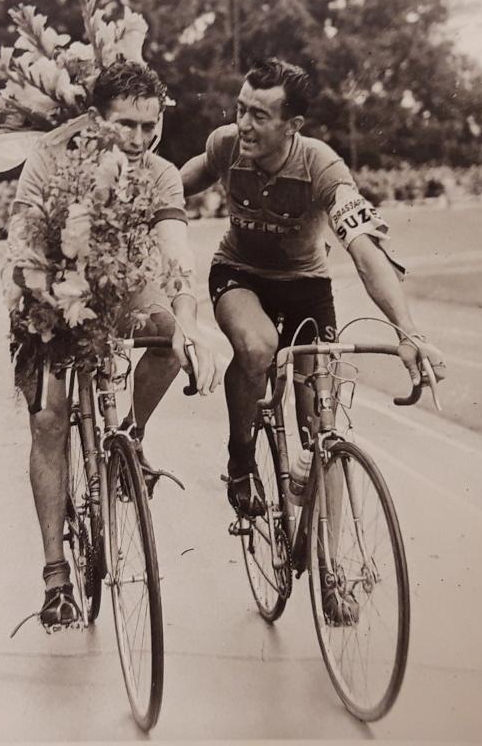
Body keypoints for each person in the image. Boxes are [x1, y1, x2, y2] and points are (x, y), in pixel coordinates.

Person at [180, 58, 447, 622]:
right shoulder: (227, 145)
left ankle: (331, 568)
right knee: (255, 349)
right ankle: (239, 461)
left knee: (321, 427)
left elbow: (366, 255)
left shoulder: (322, 165)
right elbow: (177, 184)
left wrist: (408, 333)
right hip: (240, 276)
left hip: (306, 288)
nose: (244, 125)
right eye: (240, 110)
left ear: (292, 125)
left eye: (259, 115)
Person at [6, 61, 223, 631]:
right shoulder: (52, 157)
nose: (138, 140)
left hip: (123, 284)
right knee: (50, 420)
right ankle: (56, 577)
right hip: (49, 285)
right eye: (126, 125)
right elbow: (23, 242)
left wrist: (189, 322)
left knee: (173, 344)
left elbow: (176, 254)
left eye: (149, 127)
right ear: (95, 119)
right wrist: (48, 300)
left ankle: (129, 435)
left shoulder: (160, 173)